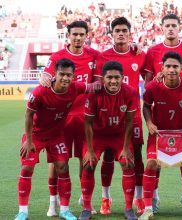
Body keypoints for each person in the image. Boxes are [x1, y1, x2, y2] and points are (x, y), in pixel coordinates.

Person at [15, 58, 96, 220]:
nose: (65, 78)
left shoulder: (75, 88)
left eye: (69, 75)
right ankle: (23, 211)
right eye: (62, 74)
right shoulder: (40, 91)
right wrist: (28, 140)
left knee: (63, 167)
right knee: (27, 169)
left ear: (74, 76)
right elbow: (28, 115)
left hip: (56, 135)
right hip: (35, 136)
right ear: (54, 74)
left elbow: (94, 87)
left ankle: (65, 210)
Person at [40, 20, 100, 216]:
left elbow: (110, 59)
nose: (78, 38)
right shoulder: (57, 57)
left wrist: (136, 47)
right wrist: (43, 78)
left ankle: (85, 200)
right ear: (68, 35)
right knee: (57, 162)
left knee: (86, 160)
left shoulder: (94, 56)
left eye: (81, 34)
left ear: (86, 36)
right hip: (61, 118)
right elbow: (46, 77)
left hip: (86, 117)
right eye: (74, 34)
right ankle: (53, 202)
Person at [139, 52, 182, 220]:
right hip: (159, 132)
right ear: (162, 68)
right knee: (152, 164)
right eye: (168, 66)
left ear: (181, 68)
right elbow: (146, 106)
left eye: (175, 66)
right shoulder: (154, 87)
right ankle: (149, 205)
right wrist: (149, 123)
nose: (172, 69)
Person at [143, 13, 182, 213]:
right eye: (167, 25)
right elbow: (148, 84)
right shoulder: (153, 51)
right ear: (162, 27)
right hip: (161, 117)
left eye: (174, 25)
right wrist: (156, 82)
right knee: (154, 160)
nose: (171, 28)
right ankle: (153, 200)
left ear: (179, 27)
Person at [94, 16, 146, 215]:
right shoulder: (103, 57)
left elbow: (148, 82)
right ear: (112, 34)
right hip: (109, 116)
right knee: (108, 155)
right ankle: (106, 197)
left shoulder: (139, 55)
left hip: (133, 115)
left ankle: (138, 198)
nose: (121, 34)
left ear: (130, 33)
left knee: (137, 156)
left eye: (125, 30)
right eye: (117, 31)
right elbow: (98, 87)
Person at [78, 61, 138, 220]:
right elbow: (88, 124)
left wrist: (125, 149)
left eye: (116, 77)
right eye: (109, 77)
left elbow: (129, 122)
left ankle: (128, 208)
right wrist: (90, 151)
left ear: (122, 78)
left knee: (127, 162)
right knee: (89, 164)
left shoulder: (130, 92)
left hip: (119, 136)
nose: (113, 81)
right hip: (97, 136)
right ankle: (86, 208)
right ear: (103, 79)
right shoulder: (93, 94)